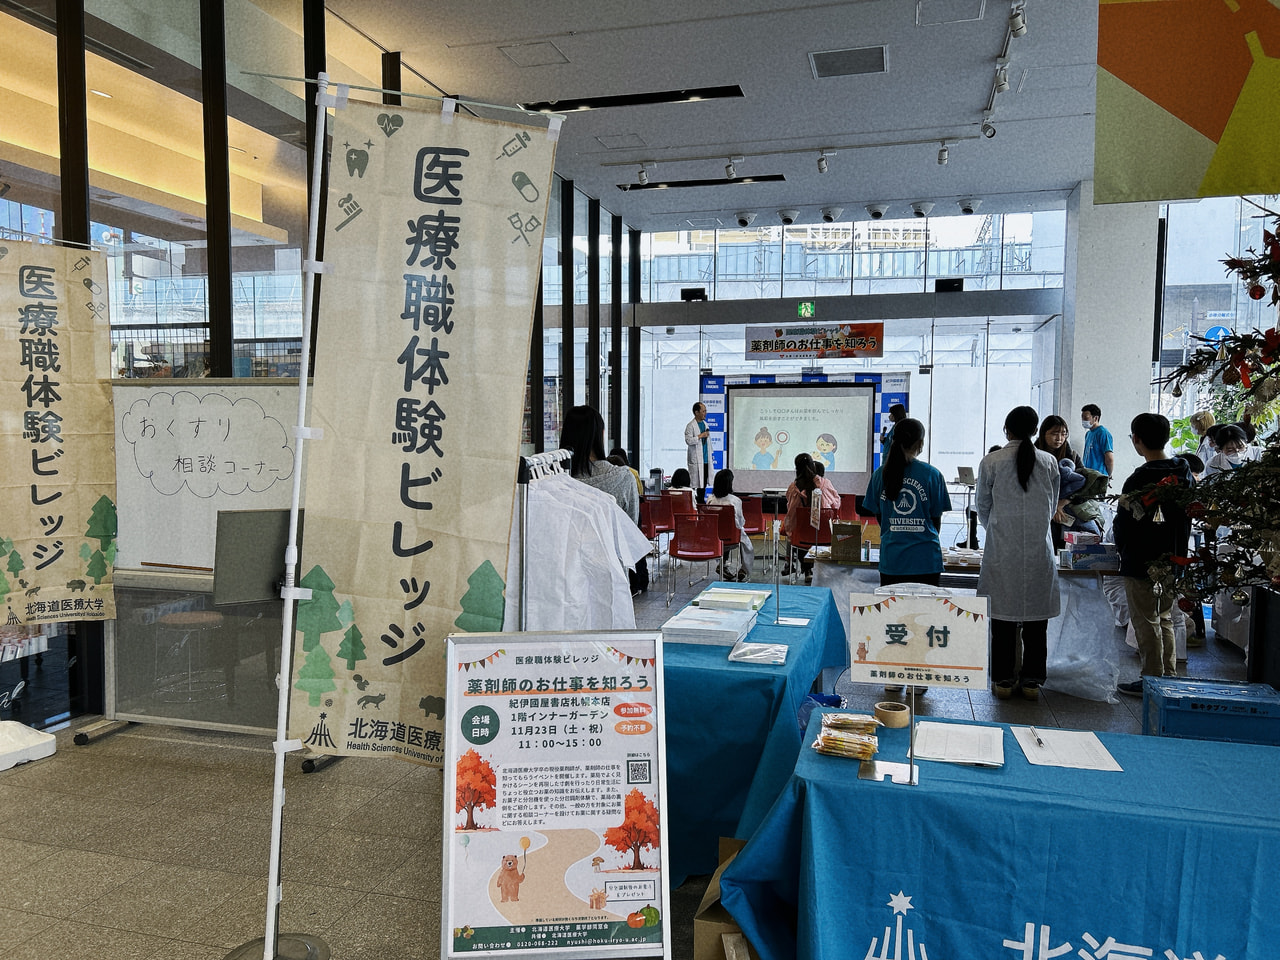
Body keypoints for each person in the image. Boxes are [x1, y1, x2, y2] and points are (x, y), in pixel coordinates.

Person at [976, 406, 1061, 701]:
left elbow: (983, 506)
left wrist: (997, 529)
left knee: (1002, 621)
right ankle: (1032, 681)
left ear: (1006, 429)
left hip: (1002, 549)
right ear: (1036, 431)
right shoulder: (1049, 462)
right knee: (1036, 623)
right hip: (1039, 550)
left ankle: (1003, 679)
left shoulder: (991, 462)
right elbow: (1051, 505)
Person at [1114, 413, 1194, 696]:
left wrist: (1122, 551)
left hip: (1141, 560)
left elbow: (1124, 523)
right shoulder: (1184, 473)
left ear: (1136, 439)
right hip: (1174, 557)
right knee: (1165, 617)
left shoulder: (1140, 479)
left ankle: (1151, 679)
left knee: (1146, 621)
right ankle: (1168, 676)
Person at [560, 405, 647, 592]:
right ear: (601, 435)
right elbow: (630, 529)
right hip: (611, 577)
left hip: (565, 578)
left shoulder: (555, 481)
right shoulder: (622, 477)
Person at [863, 418, 951, 588]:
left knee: (892, 606)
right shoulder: (932, 475)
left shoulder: (879, 475)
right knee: (927, 606)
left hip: (892, 560)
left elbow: (880, 517)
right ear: (920, 443)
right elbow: (935, 521)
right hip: (926, 560)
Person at [782, 452, 840, 580]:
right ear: (812, 465)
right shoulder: (826, 484)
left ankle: (807, 569)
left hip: (801, 537)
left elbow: (790, 511)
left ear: (796, 468)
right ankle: (816, 569)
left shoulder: (793, 488)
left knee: (797, 535)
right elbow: (836, 504)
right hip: (824, 534)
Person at [1036, 415, 1084, 550]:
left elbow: (1085, 488)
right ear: (1043, 433)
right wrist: (1052, 507)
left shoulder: (1072, 457)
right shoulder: (1034, 456)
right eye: (1054, 433)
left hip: (1066, 515)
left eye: (1063, 434)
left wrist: (1061, 503)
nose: (1059, 438)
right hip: (1040, 515)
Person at [707, 468, 753, 581]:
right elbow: (740, 522)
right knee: (747, 545)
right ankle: (744, 569)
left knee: (725, 538)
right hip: (732, 537)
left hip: (714, 536)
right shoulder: (735, 500)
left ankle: (722, 564)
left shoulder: (710, 500)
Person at [684, 402, 711, 503]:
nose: (705, 413)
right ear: (696, 412)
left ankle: (701, 502)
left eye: (705, 411)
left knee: (703, 484)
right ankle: (695, 503)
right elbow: (688, 441)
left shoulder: (705, 424)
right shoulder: (690, 426)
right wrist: (700, 436)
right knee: (695, 483)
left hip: (705, 459)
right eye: (703, 411)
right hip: (696, 460)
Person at [1080, 403, 1114, 476]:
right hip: (1088, 475)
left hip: (1099, 476)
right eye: (1082, 418)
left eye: (1086, 418)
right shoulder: (1088, 434)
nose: (1083, 420)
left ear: (1095, 418)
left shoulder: (1103, 433)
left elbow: (1109, 459)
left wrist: (1108, 475)